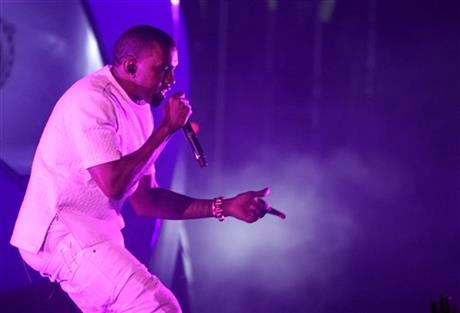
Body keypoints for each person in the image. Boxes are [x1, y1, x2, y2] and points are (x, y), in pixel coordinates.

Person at [10, 25, 274, 312]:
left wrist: (223, 206)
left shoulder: (140, 109)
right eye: (163, 70)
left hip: (89, 235)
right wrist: (166, 130)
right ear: (131, 66)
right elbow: (114, 185)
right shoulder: (93, 100)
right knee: (157, 306)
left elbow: (146, 200)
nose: (171, 80)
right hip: (61, 233)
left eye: (173, 70)